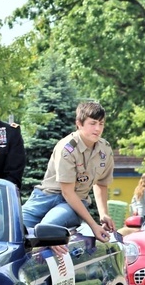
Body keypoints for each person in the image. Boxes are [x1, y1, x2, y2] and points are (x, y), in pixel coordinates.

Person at [21, 101, 115, 242]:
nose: (97, 128)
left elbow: (101, 183)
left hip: (73, 203)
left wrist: (103, 214)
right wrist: (94, 226)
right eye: (93, 123)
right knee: (14, 227)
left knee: (47, 228)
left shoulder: (105, 150)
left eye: (101, 124)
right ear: (79, 123)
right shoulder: (67, 148)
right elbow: (67, 191)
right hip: (46, 197)